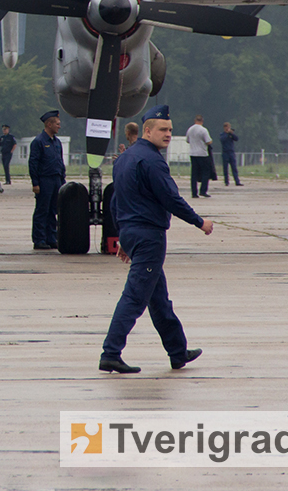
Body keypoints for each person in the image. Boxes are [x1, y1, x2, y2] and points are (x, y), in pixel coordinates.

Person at [99, 105, 214, 374]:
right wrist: (200, 222)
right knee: (135, 297)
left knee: (158, 298)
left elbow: (116, 202)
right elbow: (170, 199)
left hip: (132, 231)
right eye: (163, 129)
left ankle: (177, 352)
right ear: (147, 131)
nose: (168, 134)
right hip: (149, 236)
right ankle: (110, 352)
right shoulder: (152, 161)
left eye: (171, 130)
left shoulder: (124, 159)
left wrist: (123, 238)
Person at [28, 110, 65, 250]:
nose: (59, 126)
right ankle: (39, 239)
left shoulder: (57, 142)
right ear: (49, 124)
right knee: (42, 210)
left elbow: (60, 162)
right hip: (44, 180)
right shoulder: (39, 141)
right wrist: (35, 183)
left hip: (56, 180)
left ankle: (51, 238)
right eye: (57, 124)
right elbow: (33, 163)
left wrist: (62, 180)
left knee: (53, 211)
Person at [185, 115, 212, 198]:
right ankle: (203, 191)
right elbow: (208, 141)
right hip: (202, 154)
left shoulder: (190, 129)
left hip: (193, 153)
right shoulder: (203, 130)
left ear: (195, 120)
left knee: (194, 174)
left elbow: (187, 140)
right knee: (205, 173)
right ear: (202, 121)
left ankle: (194, 193)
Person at [219, 122, 242, 186]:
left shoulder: (231, 135)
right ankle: (226, 182)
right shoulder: (222, 134)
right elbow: (222, 140)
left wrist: (232, 134)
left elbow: (236, 139)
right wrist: (227, 134)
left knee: (234, 168)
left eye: (228, 127)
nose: (227, 129)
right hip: (225, 153)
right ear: (224, 128)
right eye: (226, 127)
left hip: (231, 152)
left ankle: (237, 181)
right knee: (225, 168)